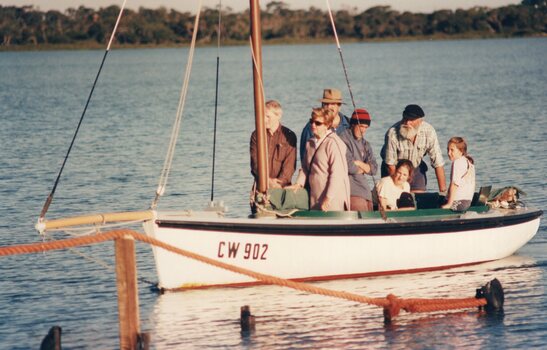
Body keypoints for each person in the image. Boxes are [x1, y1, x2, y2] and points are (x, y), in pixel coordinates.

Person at [288, 107, 350, 211]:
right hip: (315, 197)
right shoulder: (310, 143)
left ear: (327, 125)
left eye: (318, 123)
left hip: (333, 200)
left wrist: (328, 198)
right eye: (311, 121)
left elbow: (337, 174)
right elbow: (305, 168)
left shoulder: (334, 143)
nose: (313, 125)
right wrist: (298, 184)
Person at [380, 104, 446, 193]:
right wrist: (398, 187)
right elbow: (390, 164)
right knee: (396, 196)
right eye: (405, 119)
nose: (407, 123)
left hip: (415, 167)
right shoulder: (392, 133)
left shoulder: (429, 131)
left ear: (420, 121)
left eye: (411, 120)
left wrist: (443, 192)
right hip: (393, 168)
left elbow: (438, 163)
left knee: (418, 198)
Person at [250, 100, 297, 189]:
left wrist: (278, 184)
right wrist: (267, 181)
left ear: (278, 116)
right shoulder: (256, 135)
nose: (264, 119)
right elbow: (255, 163)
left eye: (268, 116)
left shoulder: (289, 136)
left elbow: (289, 166)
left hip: (282, 187)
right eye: (262, 116)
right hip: (261, 187)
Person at [338, 108, 378, 211]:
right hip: (352, 191)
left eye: (366, 127)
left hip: (365, 190)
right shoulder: (343, 139)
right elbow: (350, 167)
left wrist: (359, 163)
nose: (363, 130)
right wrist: (365, 168)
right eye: (360, 126)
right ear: (353, 124)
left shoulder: (366, 144)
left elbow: (374, 169)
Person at [299, 88, 351, 161]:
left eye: (333, 104)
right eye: (326, 104)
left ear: (339, 106)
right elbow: (305, 157)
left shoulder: (350, 125)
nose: (329, 107)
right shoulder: (311, 127)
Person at [441, 137, 476, 211]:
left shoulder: (457, 162)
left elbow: (454, 185)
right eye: (448, 149)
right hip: (467, 202)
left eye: (452, 150)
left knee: (436, 202)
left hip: (458, 203)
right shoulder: (469, 162)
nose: (448, 153)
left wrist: (449, 204)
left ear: (461, 151)